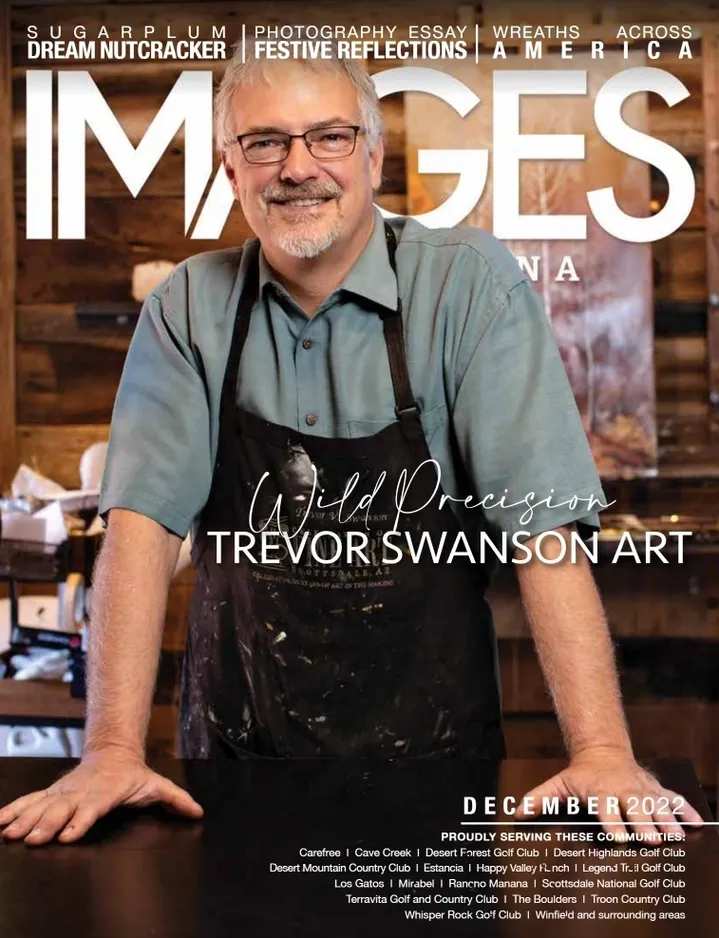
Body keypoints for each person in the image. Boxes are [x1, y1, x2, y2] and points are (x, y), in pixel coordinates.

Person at [0, 45, 703, 846]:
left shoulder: (468, 286)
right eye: (264, 142)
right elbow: (141, 526)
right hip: (235, 764)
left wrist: (603, 752)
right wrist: (111, 750)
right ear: (232, 169)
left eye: (328, 137)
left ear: (371, 155)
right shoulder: (186, 307)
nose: (297, 167)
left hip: (438, 760)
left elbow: (538, 526)